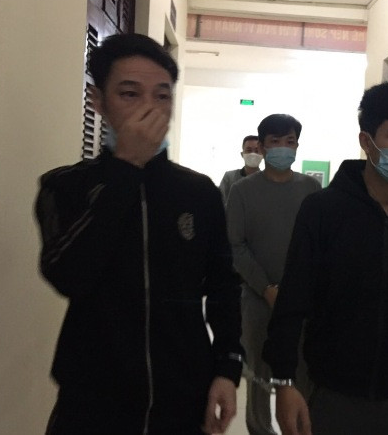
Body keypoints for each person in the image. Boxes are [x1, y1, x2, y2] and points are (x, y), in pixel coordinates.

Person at [35, 33, 243, 435]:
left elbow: (223, 286)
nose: (150, 107)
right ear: (98, 101)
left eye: (162, 96)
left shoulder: (198, 192)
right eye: (130, 94)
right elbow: (67, 274)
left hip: (184, 399)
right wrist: (126, 167)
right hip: (91, 403)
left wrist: (227, 368)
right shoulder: (64, 187)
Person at [263, 81, 388, 435]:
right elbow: (293, 301)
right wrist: (285, 380)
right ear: (367, 141)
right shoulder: (322, 210)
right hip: (333, 395)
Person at [226, 114, 321, 435]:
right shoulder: (241, 191)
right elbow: (235, 245)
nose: (283, 147)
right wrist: (265, 288)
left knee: (302, 370)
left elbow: (319, 244)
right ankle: (260, 429)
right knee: (258, 373)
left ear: (297, 146)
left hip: (302, 302)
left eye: (290, 141)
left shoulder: (311, 189)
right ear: (263, 147)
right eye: (275, 141)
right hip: (257, 299)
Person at [219, 135, 263, 204]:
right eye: (249, 150)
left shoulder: (267, 181)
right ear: (242, 154)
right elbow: (219, 202)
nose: (253, 154)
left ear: (263, 154)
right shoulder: (229, 177)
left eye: (257, 151)